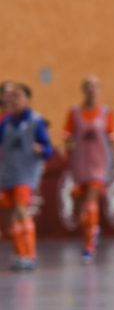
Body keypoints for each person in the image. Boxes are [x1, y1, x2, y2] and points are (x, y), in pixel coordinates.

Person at [0, 83, 54, 271]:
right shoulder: (5, 123)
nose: (13, 100)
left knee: (21, 211)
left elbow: (49, 149)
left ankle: (29, 254)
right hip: (6, 174)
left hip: (25, 174)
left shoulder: (35, 121)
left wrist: (42, 150)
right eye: (11, 97)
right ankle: (19, 253)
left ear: (27, 100)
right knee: (8, 216)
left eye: (18, 96)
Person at [63, 75, 114, 262]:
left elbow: (111, 141)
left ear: (99, 89)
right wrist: (68, 147)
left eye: (95, 86)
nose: (91, 89)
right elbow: (67, 138)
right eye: (88, 86)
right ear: (83, 89)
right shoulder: (75, 113)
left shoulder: (106, 113)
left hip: (100, 164)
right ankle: (92, 229)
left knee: (92, 200)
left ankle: (89, 246)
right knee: (79, 207)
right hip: (81, 163)